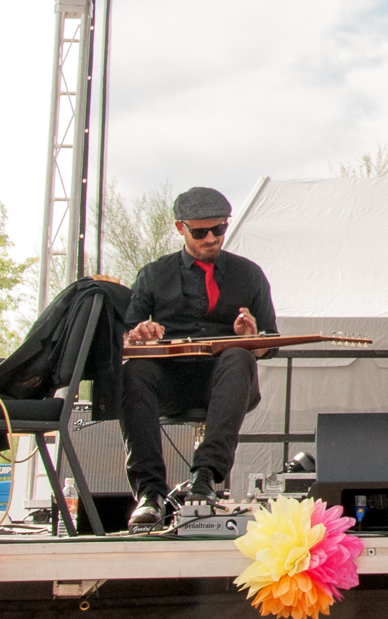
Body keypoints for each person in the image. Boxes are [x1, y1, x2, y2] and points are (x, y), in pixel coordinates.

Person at [121, 187, 278, 531]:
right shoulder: (152, 275)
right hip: (170, 383)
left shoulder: (249, 274)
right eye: (200, 232)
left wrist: (252, 339)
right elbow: (126, 338)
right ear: (180, 228)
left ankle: (205, 477)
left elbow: (271, 344)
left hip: (224, 385)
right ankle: (149, 493)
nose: (211, 238)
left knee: (239, 356)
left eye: (218, 229)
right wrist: (138, 336)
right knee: (135, 370)